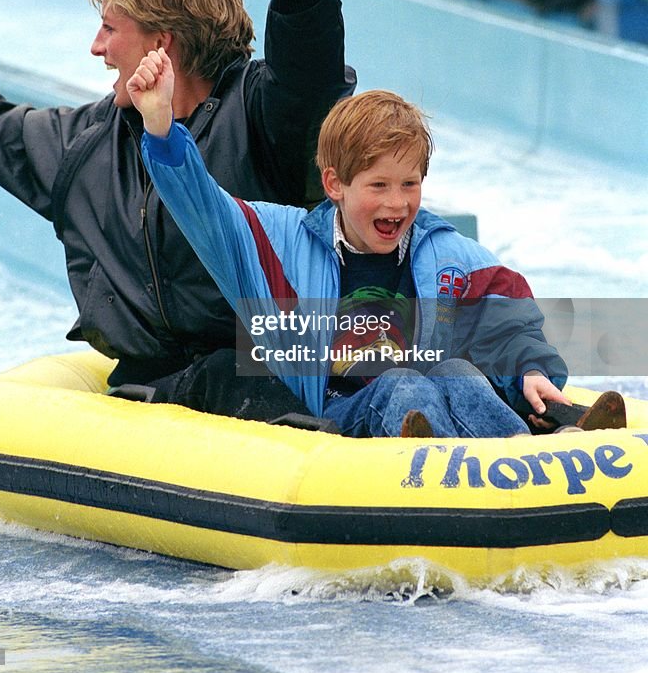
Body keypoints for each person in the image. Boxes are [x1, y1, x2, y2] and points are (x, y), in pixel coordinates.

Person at [0, 0, 356, 424]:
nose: (97, 48)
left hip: (273, 373)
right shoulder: (85, 145)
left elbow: (309, 71)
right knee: (198, 380)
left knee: (239, 373)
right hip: (152, 387)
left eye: (110, 28)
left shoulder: (262, 118)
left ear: (163, 43)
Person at [126, 49, 625, 439]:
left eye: (410, 185)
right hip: (348, 422)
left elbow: (505, 315)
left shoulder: (444, 255)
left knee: (454, 370)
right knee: (401, 383)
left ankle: (530, 454)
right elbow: (203, 207)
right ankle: (447, 468)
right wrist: (160, 125)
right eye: (379, 186)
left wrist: (527, 370)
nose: (398, 204)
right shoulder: (280, 244)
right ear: (335, 184)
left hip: (437, 416)